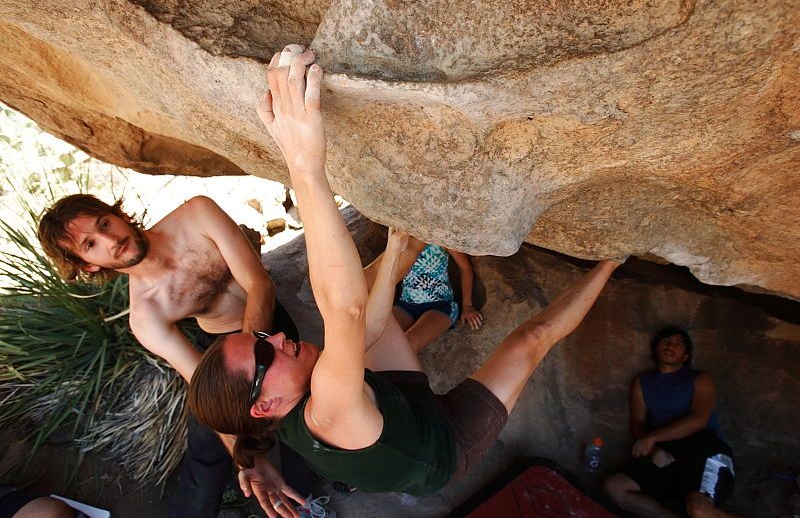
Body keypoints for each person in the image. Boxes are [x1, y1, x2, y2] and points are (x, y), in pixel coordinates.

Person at [186, 44, 622, 517]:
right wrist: (302, 162)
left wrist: (396, 255)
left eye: (260, 334)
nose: (276, 336)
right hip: (442, 448)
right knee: (529, 340)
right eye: (265, 352)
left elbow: (366, 330)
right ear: (265, 406)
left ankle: (408, 243)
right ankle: (614, 260)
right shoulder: (325, 410)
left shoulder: (294, 397)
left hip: (397, 407)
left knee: (360, 314)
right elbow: (347, 311)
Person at [36, 192, 305, 516]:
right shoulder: (145, 314)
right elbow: (200, 383)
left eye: (104, 223)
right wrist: (251, 460)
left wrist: (256, 358)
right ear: (89, 264)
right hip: (219, 346)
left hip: (268, 323)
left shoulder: (196, 214)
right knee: (208, 436)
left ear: (117, 214)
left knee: (297, 414)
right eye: (90, 244)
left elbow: (259, 284)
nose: (109, 239)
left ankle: (310, 488)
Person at [603, 328, 738, 518]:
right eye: (665, 341)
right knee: (615, 488)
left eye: (678, 343)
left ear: (686, 356)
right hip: (667, 453)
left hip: (704, 448)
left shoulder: (700, 379)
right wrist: (654, 450)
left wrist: (652, 438)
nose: (670, 345)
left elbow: (699, 420)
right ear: (656, 349)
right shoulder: (643, 382)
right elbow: (637, 423)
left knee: (699, 510)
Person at [393, 242, 483, 353]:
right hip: (405, 304)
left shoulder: (441, 238)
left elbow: (465, 268)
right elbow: (391, 273)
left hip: (440, 306)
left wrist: (467, 305)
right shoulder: (403, 238)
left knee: (408, 344)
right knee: (378, 339)